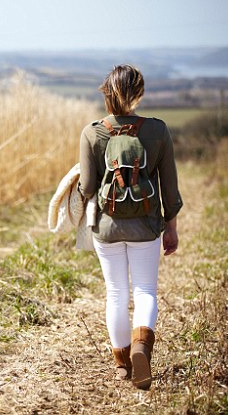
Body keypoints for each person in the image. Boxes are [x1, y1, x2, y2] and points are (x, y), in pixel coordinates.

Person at [78, 64, 183, 390]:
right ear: (139, 93)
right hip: (146, 226)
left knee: (116, 293)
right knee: (145, 291)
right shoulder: (157, 130)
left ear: (107, 93)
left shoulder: (93, 132)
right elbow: (169, 188)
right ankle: (142, 348)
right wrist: (171, 227)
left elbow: (87, 187)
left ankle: (123, 364)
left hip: (107, 229)